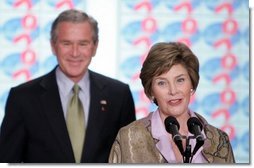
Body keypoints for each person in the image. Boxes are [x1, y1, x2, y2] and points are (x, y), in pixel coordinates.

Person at [0, 9, 136, 163]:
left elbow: (129, 160)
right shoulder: (23, 97)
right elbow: (7, 161)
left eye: (83, 43)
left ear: (95, 46)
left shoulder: (119, 95)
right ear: (53, 46)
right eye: (67, 43)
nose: (75, 53)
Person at [108, 42, 235, 163]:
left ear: (191, 83)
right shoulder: (129, 138)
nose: (173, 91)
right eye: (162, 83)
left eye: (180, 80)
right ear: (151, 91)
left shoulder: (219, 141)